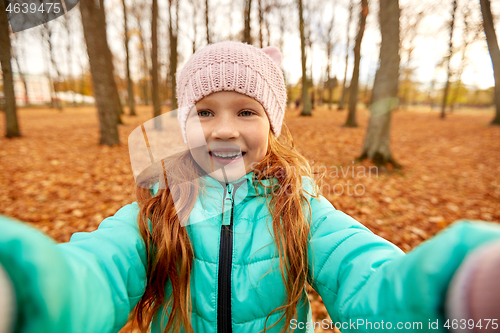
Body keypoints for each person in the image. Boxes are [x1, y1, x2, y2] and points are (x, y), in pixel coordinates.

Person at [0, 41, 499, 333]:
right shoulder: (160, 208)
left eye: (246, 111)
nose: (223, 129)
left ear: (272, 122)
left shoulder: (302, 208)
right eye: (204, 112)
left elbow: (362, 273)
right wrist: (29, 291)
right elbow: (97, 269)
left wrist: (449, 293)